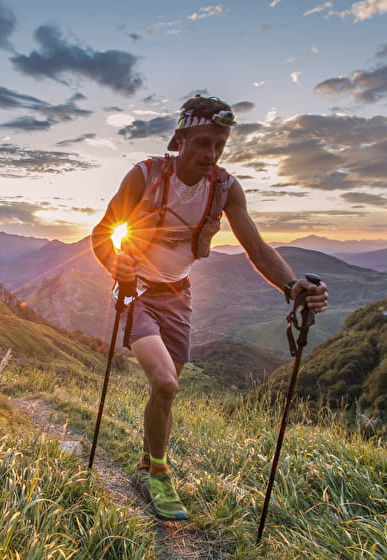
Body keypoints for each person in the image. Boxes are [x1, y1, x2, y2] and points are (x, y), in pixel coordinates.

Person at [91, 95, 329, 521]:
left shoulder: (225, 187)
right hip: (136, 292)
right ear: (180, 138)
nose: (211, 153)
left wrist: (292, 287)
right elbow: (102, 233)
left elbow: (255, 248)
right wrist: (115, 263)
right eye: (202, 142)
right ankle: (160, 475)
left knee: (164, 391)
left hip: (179, 295)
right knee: (165, 383)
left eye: (220, 144)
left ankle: (146, 465)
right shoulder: (143, 176)